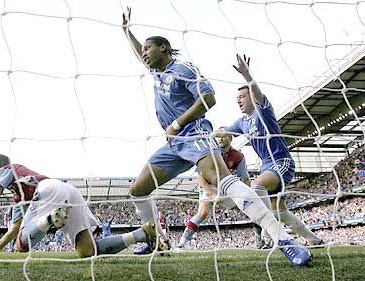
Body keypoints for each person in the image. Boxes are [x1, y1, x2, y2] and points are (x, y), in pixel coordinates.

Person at [121, 8, 312, 266]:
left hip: (194, 133)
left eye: (148, 48)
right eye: (142, 49)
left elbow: (208, 98)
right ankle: (156, 239)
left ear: (164, 48)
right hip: (174, 143)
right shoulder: (157, 72)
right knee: (138, 190)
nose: (143, 53)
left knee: (224, 181)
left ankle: (284, 240)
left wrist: (177, 123)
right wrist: (126, 31)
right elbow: (137, 54)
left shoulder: (182, 68)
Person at [221, 54, 323, 247]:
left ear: (252, 97)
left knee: (256, 186)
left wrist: (247, 76)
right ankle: (314, 240)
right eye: (237, 98)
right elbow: (223, 132)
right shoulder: (242, 122)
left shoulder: (263, 111)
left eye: (242, 97)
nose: (239, 101)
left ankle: (271, 236)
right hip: (267, 166)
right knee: (281, 212)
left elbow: (258, 93)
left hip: (281, 162)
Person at [0, 154, 157, 257]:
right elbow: (15, 229)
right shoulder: (19, 194)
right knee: (88, 252)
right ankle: (141, 234)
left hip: (47, 192)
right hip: (67, 191)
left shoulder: (5, 170)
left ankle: (50, 218)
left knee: (21, 247)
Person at [176, 134, 252, 249]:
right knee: (203, 213)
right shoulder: (208, 153)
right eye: (217, 137)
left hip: (226, 185)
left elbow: (245, 178)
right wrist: (212, 193)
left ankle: (261, 238)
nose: (220, 138)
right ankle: (181, 243)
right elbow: (200, 178)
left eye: (223, 136)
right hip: (208, 185)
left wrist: (246, 196)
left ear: (231, 138)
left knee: (250, 208)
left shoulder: (238, 156)